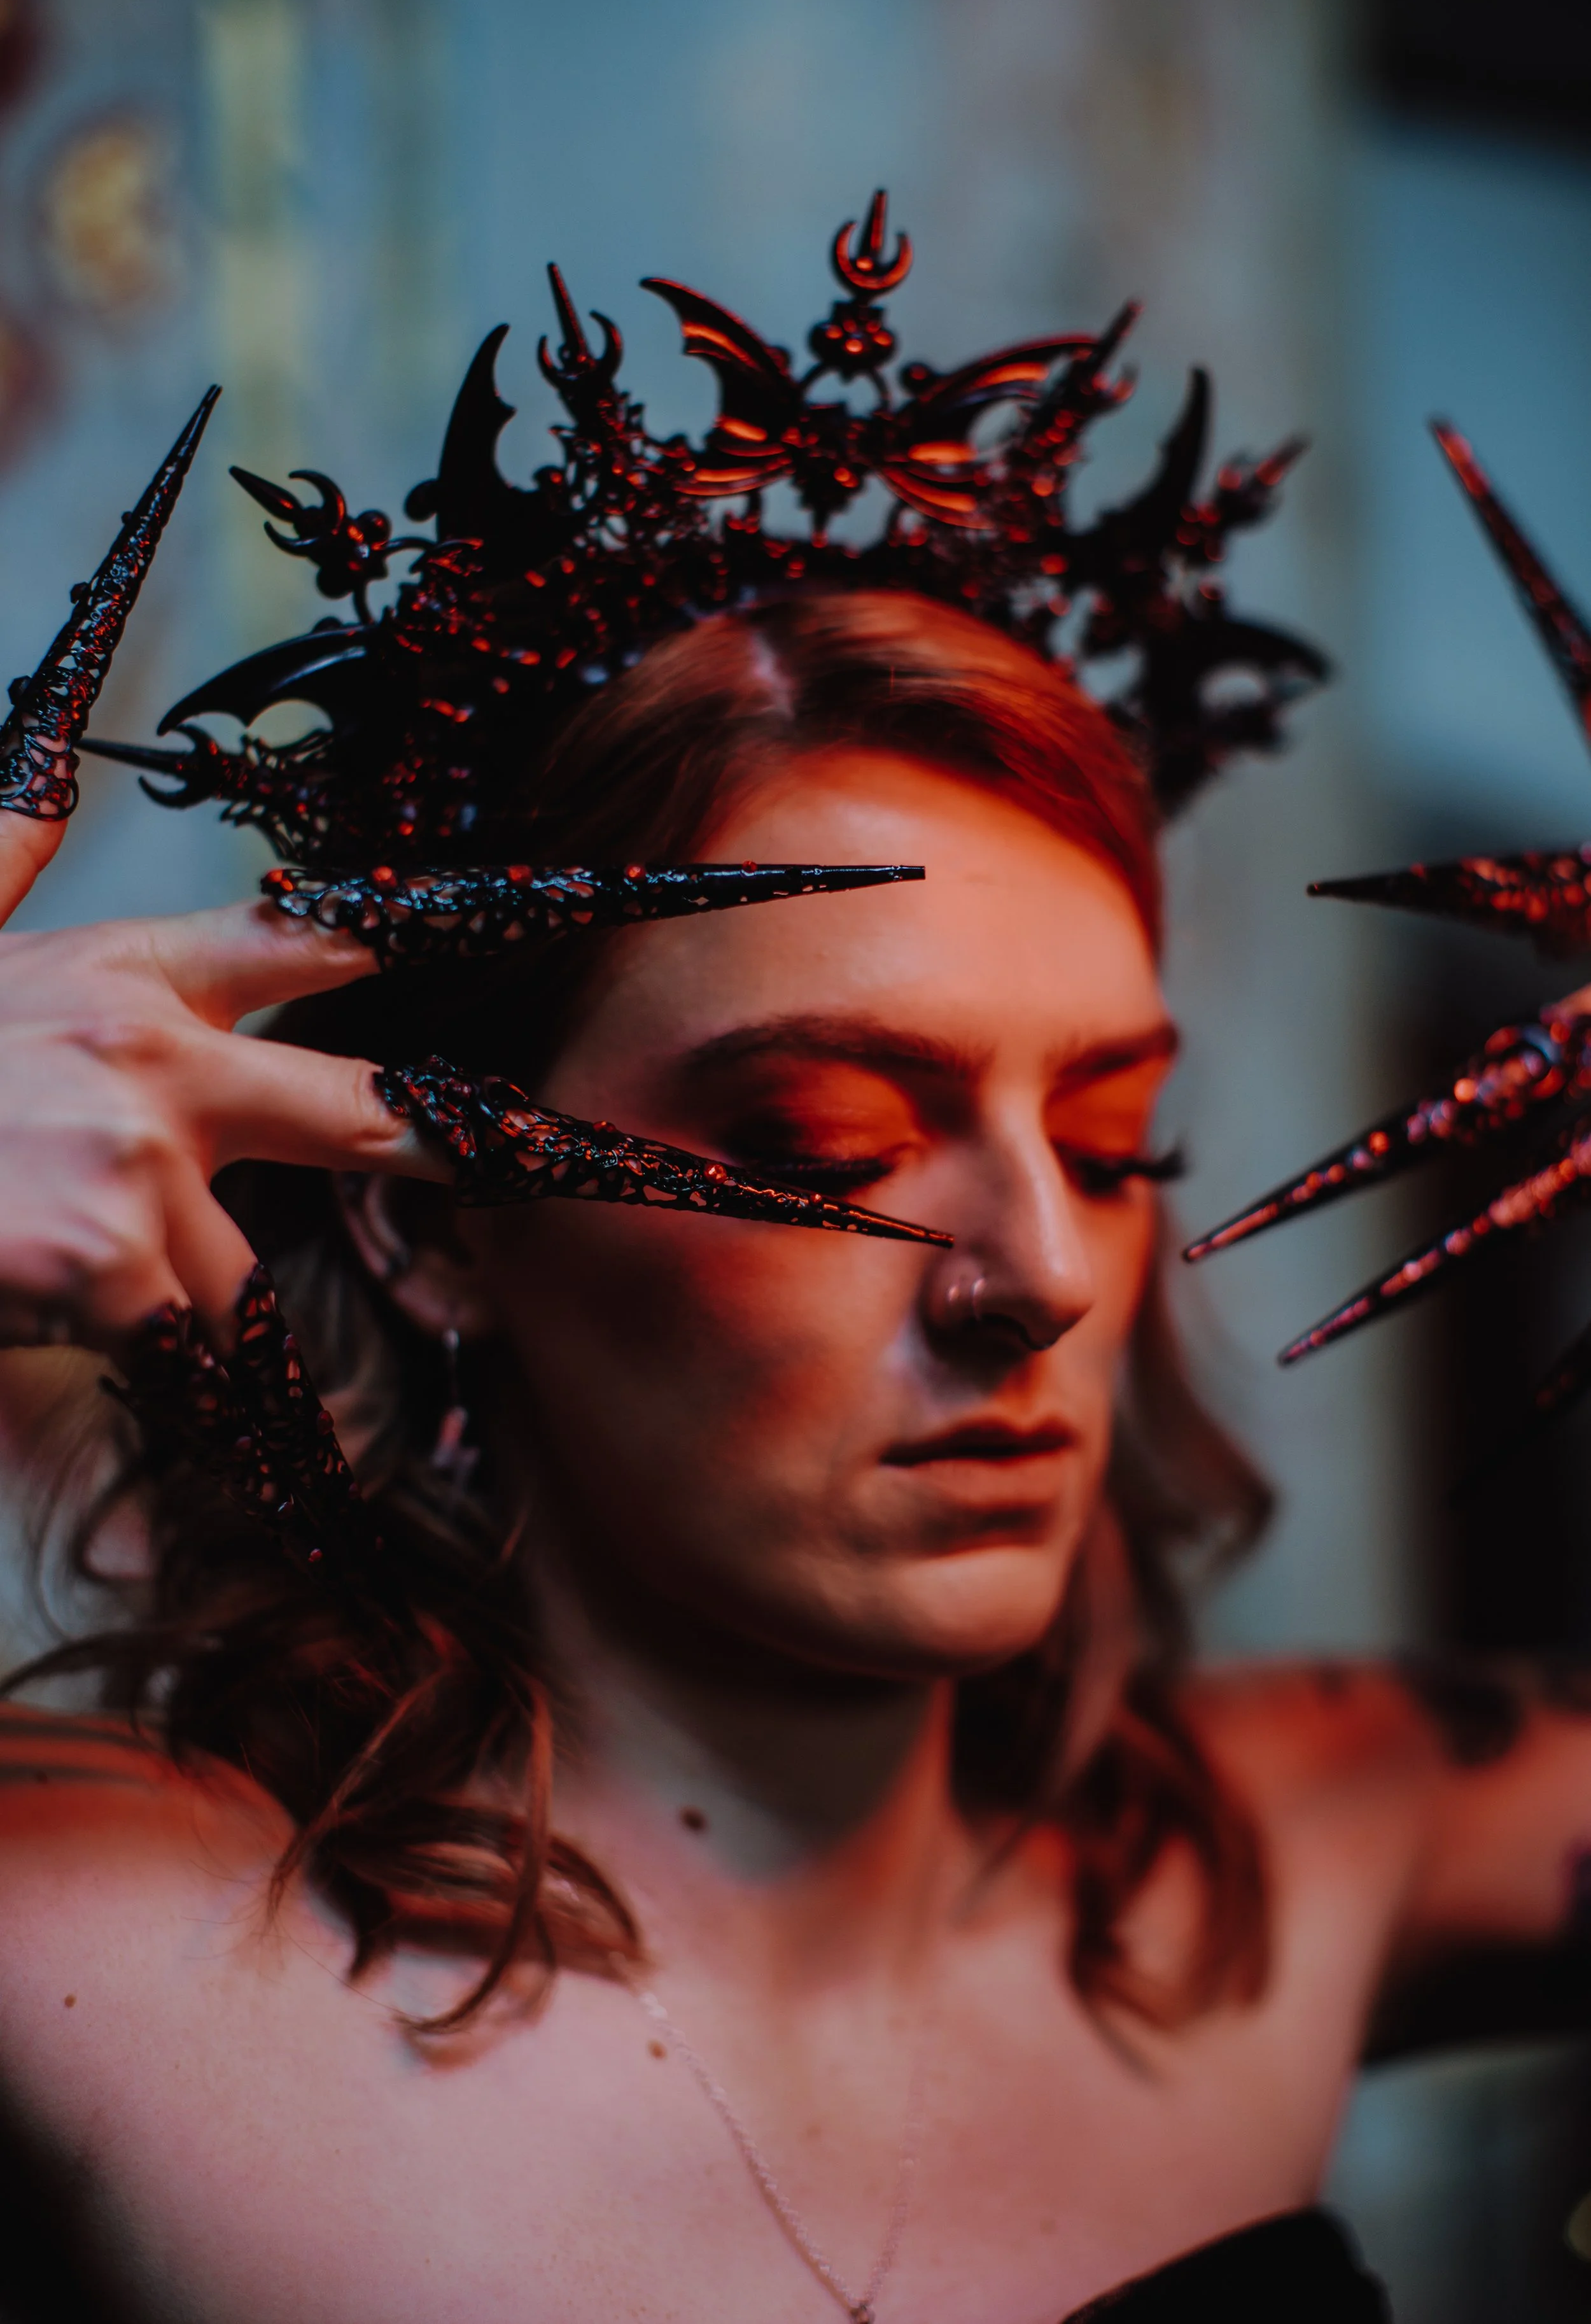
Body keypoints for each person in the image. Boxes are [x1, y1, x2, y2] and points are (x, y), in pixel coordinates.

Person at [0, 213, 1584, 2324]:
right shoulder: (84, 1928)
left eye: (1106, 1140)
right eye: (826, 1145)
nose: (1033, 1270)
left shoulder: (1298, 1848)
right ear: (428, 1219)